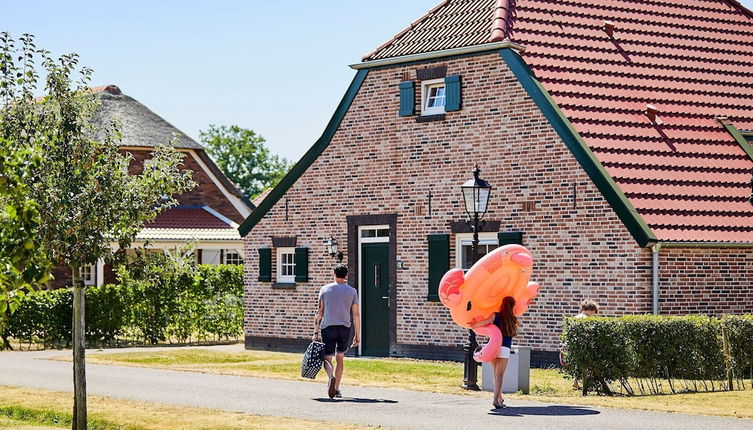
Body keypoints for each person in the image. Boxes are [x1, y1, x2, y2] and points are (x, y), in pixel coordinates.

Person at [312, 264, 361, 399]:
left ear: (334, 274)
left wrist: (315, 332)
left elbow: (319, 312)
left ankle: (330, 377)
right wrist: (358, 335)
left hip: (328, 327)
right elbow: (356, 314)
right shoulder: (352, 291)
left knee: (327, 357)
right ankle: (337, 388)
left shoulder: (324, 289)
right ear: (346, 276)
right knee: (340, 357)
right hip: (344, 328)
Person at [470, 296, 521, 409]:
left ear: (501, 305)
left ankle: (499, 398)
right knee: (500, 375)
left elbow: (484, 322)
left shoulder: (495, 315)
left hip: (493, 347)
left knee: (495, 374)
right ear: (512, 306)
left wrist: (472, 325)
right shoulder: (513, 318)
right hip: (505, 348)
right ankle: (495, 400)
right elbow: (519, 325)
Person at [568, 299, 599, 389]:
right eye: (593, 312)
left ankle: (575, 382)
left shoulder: (576, 317)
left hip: (575, 345)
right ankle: (586, 383)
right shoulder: (586, 319)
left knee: (578, 364)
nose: (593, 314)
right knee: (587, 365)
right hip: (585, 345)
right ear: (590, 309)